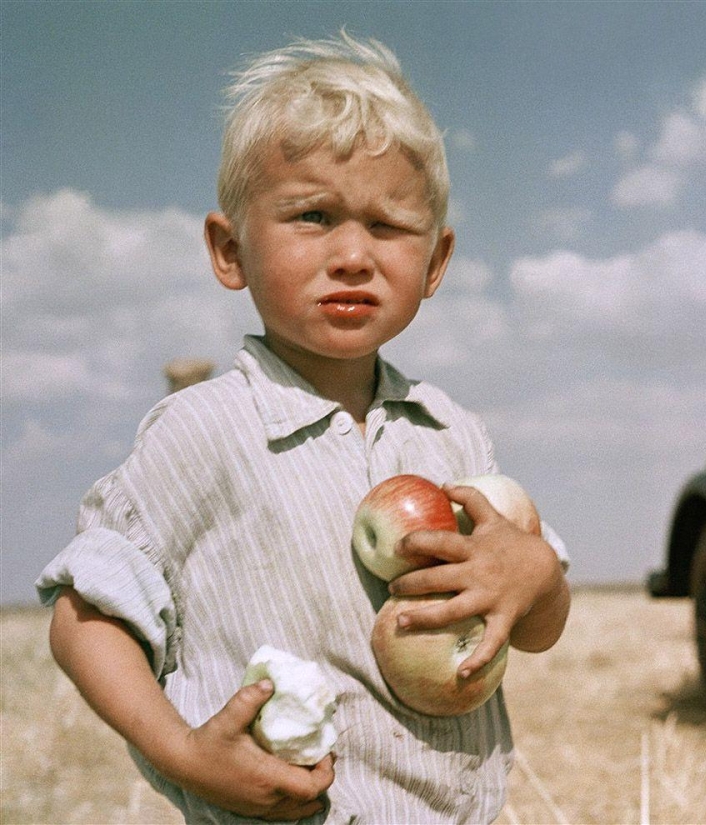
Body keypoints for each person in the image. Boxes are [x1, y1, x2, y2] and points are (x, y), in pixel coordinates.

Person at [37, 32, 571, 824]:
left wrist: (531, 579)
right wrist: (183, 751)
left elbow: (538, 624)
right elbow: (84, 617)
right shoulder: (203, 431)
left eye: (388, 226)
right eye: (312, 216)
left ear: (434, 261)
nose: (353, 254)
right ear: (230, 249)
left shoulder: (454, 435)